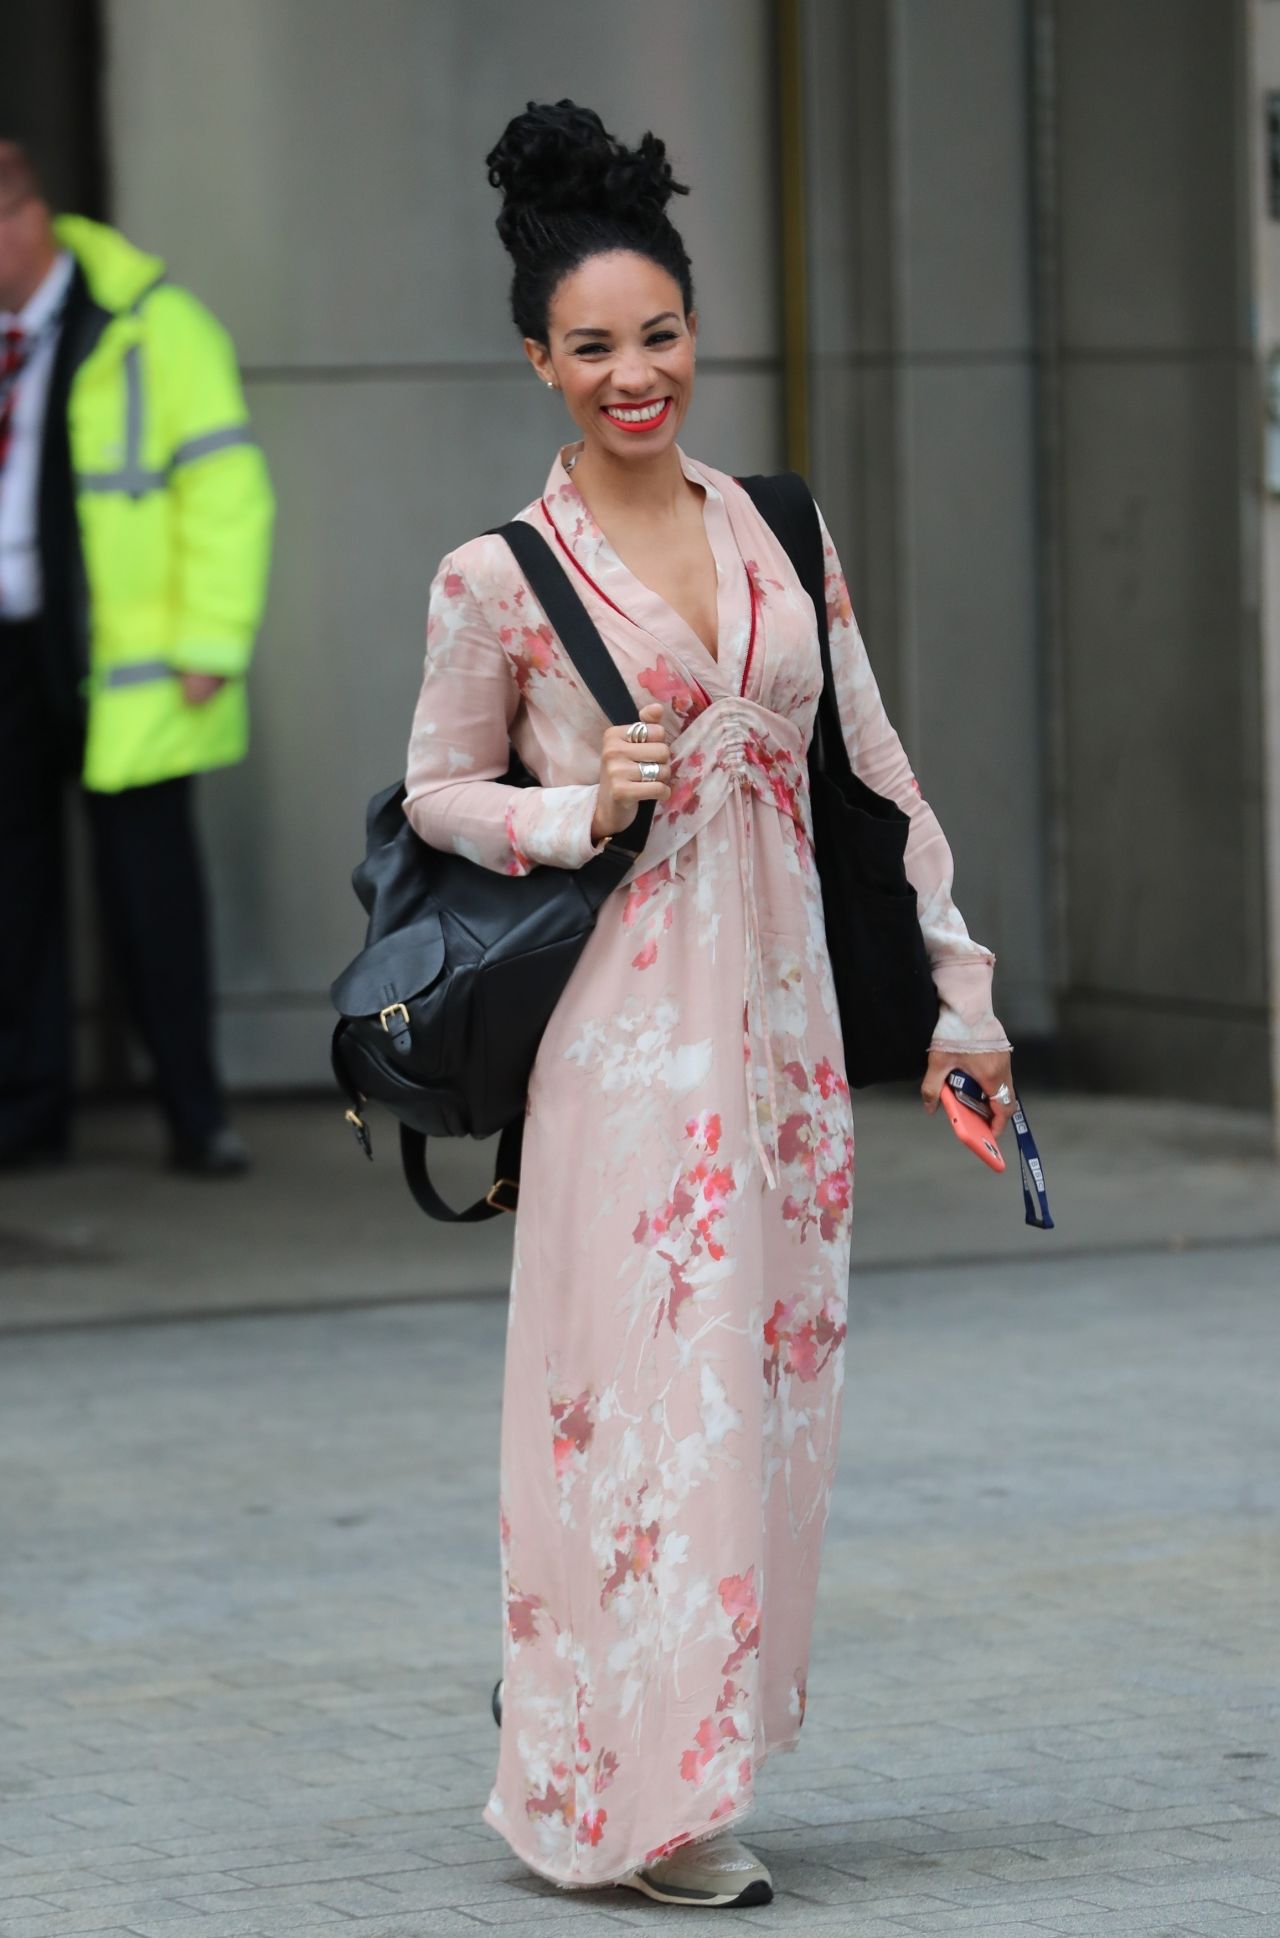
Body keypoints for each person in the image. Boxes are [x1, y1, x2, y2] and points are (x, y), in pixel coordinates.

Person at [403, 101, 1015, 1908]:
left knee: (752, 1397)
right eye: (592, 346)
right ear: (540, 361)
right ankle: (641, 1803)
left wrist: (958, 995)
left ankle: (631, 1719)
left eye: (657, 334)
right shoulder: (493, 579)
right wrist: (568, 804)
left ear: (694, 331)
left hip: (783, 1037)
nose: (633, 371)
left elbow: (873, 768)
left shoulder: (779, 527)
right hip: (618, 1036)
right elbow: (433, 789)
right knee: (645, 1399)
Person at [0, 140, 273, 1176]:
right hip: (12, 643)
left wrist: (210, 639)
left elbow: (225, 496)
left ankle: (195, 1114)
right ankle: (29, 1109)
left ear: (22, 220)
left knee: (148, 891)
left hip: (128, 659)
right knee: (13, 889)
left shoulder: (157, 327)